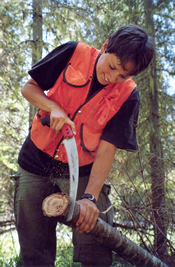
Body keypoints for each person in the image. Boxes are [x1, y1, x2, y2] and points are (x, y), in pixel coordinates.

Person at [14, 24, 154, 267]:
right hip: (35, 162)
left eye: (123, 76)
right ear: (105, 47)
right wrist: (53, 107)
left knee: (96, 249)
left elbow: (108, 147)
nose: (112, 78)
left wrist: (89, 197)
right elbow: (29, 87)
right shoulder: (72, 52)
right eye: (111, 67)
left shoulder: (129, 95)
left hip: (84, 172)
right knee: (35, 255)